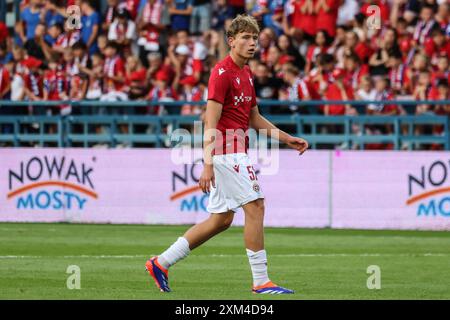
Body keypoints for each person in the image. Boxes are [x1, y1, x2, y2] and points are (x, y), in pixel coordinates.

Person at [145, 14, 308, 295]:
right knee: (255, 206)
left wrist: (286, 138)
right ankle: (261, 281)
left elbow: (254, 118)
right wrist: (207, 164)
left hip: (235, 150)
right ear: (231, 41)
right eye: (245, 37)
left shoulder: (246, 73)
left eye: (254, 38)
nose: (251, 43)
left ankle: (161, 262)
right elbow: (210, 122)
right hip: (225, 151)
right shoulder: (221, 74)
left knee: (221, 220)